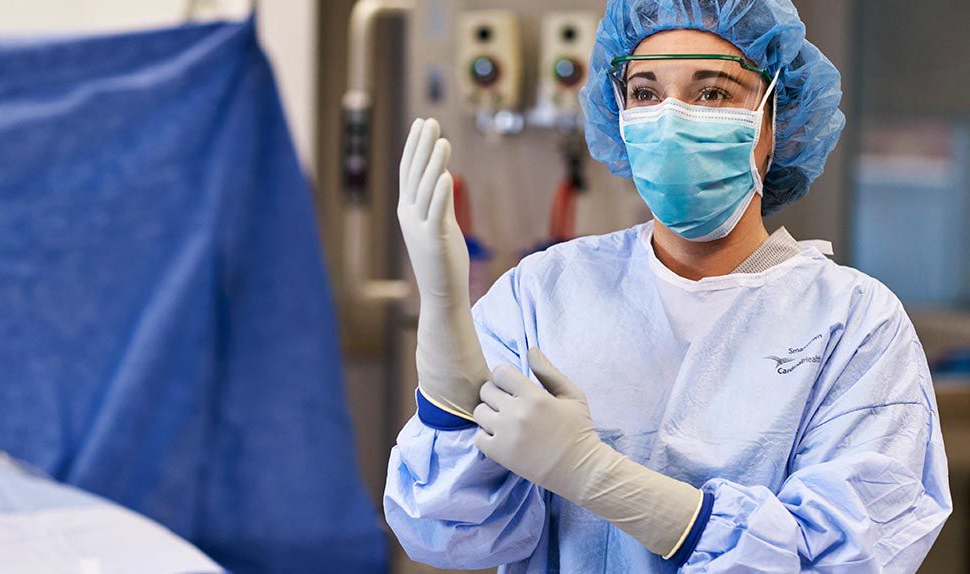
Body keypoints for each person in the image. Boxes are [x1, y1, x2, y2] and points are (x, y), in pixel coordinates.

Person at [384, 0, 952, 571]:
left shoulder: (854, 324)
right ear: (619, 110)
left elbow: (842, 556)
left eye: (713, 93)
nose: (672, 118)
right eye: (647, 93)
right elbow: (446, 529)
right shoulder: (542, 293)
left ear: (775, 118)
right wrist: (443, 314)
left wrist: (597, 476)